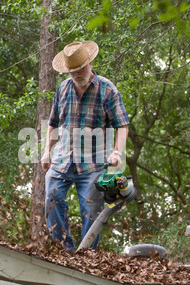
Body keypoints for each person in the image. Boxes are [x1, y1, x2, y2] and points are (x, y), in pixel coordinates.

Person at [41, 41, 130, 252]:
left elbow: (122, 125)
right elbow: (53, 123)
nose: (77, 73)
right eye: (72, 71)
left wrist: (117, 152)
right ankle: (65, 251)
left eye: (80, 68)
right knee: (52, 197)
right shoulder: (63, 88)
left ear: (89, 63)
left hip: (93, 164)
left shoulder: (107, 90)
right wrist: (46, 151)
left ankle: (85, 255)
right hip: (63, 160)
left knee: (91, 208)